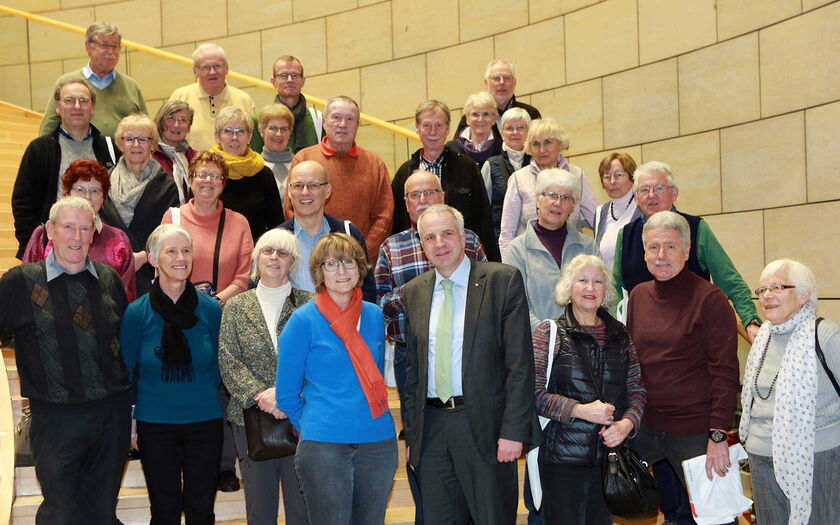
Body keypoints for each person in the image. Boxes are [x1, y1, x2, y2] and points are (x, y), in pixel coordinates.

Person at [402, 204, 540, 524]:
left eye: (447, 233)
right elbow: (412, 373)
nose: (439, 243)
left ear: (463, 237)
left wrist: (513, 430)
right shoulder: (413, 292)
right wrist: (413, 437)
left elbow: (519, 364)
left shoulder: (501, 280)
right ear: (421, 246)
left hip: (486, 428)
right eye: (430, 237)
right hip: (432, 429)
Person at [0, 196, 131, 523]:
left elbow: (125, 345)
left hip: (110, 416)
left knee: (102, 513)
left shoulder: (109, 279)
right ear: (49, 231)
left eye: (84, 229)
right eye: (68, 227)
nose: (76, 236)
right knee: (61, 514)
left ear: (93, 235)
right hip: (55, 419)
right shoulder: (20, 282)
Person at [375, 171, 488, 525]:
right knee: (420, 448)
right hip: (415, 356)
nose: (422, 199)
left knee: (470, 443)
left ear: (443, 195)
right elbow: (380, 302)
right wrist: (420, 291)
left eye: (429, 192)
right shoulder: (391, 247)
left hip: (464, 356)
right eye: (414, 195)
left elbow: (486, 290)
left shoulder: (467, 238)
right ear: (406, 204)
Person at [626, 211, 740, 525]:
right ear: (644, 252)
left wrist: (717, 434)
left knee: (716, 518)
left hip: (694, 431)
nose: (661, 255)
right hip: (648, 428)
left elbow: (725, 371)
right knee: (667, 513)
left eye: (670, 247)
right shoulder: (638, 296)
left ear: (687, 251)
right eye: (653, 247)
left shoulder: (710, 299)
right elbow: (634, 363)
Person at [276, 233, 397, 524]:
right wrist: (317, 424)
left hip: (378, 442)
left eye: (348, 262)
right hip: (324, 446)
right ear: (319, 272)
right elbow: (286, 395)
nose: (341, 271)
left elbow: (375, 374)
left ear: (360, 268)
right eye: (331, 264)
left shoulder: (374, 316)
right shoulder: (302, 321)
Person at [120, 223, 223, 524]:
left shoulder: (211, 310)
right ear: (153, 259)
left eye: (187, 250)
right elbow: (127, 370)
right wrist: (132, 421)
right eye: (172, 251)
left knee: (201, 509)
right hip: (155, 424)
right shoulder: (136, 313)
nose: (181, 258)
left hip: (204, 421)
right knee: (163, 511)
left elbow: (219, 364)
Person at [533, 254, 646, 525]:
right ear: (569, 288)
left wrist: (628, 424)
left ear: (605, 291)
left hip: (610, 459)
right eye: (582, 280)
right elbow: (533, 394)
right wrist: (581, 410)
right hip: (562, 461)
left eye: (598, 281)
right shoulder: (548, 333)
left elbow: (637, 390)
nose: (590, 288)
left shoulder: (621, 335)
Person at [218, 229, 310, 525]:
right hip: (250, 419)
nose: (274, 258)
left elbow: (319, 358)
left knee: (303, 506)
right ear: (256, 258)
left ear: (292, 263)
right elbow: (227, 359)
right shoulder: (235, 306)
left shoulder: (310, 304)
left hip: (300, 416)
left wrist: (287, 396)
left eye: (283, 253)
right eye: (268, 251)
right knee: (259, 509)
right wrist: (261, 395)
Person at [739, 259, 840, 525]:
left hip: (817, 456)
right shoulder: (762, 337)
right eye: (762, 290)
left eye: (777, 287)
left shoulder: (824, 334)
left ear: (804, 293)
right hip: (761, 455)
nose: (767, 296)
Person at [613, 161, 761, 340]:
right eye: (644, 190)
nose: (651, 195)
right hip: (644, 342)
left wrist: (750, 321)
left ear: (674, 193)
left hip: (694, 339)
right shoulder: (625, 235)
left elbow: (730, 281)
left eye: (659, 188)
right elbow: (615, 292)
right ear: (636, 198)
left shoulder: (697, 229)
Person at [13, 77, 119, 258]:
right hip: (49, 252)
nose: (77, 106)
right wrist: (34, 245)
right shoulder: (40, 149)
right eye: (69, 100)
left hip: (100, 251)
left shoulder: (109, 148)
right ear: (57, 106)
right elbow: (22, 203)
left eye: (83, 101)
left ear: (92, 107)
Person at [390, 100, 500, 262]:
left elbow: (482, 218)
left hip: (462, 256)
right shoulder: (404, 173)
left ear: (448, 128)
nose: (432, 132)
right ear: (417, 128)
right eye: (426, 125)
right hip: (416, 259)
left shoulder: (466, 167)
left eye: (439, 125)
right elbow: (398, 221)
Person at [286, 95, 393, 260]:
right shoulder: (304, 158)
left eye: (350, 119)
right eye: (336, 117)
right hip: (311, 259)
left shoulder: (374, 163)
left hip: (359, 262)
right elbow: (291, 208)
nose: (343, 124)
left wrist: (359, 252)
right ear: (324, 122)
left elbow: (384, 216)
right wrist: (318, 254)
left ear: (357, 125)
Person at [23, 159, 136, 301]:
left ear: (103, 197)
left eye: (95, 190)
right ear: (67, 193)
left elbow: (126, 297)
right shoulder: (43, 235)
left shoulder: (118, 239)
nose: (87, 197)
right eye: (80, 189)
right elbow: (27, 285)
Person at [503, 169, 598, 333]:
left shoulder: (588, 247)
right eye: (552, 195)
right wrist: (547, 335)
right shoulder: (516, 251)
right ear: (538, 200)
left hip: (585, 345)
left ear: (573, 206)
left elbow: (600, 296)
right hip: (537, 346)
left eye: (566, 198)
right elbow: (515, 304)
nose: (558, 203)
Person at [99, 114, 179, 297]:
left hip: (150, 269)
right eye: (129, 139)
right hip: (110, 271)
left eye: (143, 139)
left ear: (152, 145)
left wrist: (144, 256)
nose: (136, 145)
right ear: (120, 143)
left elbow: (169, 232)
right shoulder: (104, 181)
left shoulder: (166, 185)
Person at [161, 151, 253, 306]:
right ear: (190, 179)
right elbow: (161, 269)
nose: (208, 180)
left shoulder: (239, 223)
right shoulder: (172, 218)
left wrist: (213, 304)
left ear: (223, 184)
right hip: (179, 311)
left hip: (223, 314)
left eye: (216, 176)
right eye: (202, 174)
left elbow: (244, 276)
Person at [279, 160, 376, 302]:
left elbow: (367, 288)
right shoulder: (276, 240)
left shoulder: (348, 233)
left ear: (327, 191)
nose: (305, 192)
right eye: (298, 186)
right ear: (289, 191)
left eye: (313, 185)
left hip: (344, 321)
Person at [498, 118, 596, 254]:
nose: (542, 149)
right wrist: (510, 269)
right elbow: (507, 233)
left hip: (572, 256)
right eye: (536, 144)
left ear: (560, 143)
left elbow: (597, 221)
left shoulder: (577, 175)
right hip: (529, 260)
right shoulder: (518, 179)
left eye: (548, 142)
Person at [38, 22, 147, 137]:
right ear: (89, 47)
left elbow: (147, 128)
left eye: (114, 46)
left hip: (124, 154)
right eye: (104, 45)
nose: (110, 52)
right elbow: (48, 128)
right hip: (78, 153)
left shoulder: (131, 86)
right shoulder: (66, 84)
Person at [210, 106, 284, 241]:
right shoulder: (207, 173)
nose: (234, 137)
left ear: (249, 136)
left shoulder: (263, 174)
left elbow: (276, 224)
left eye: (240, 131)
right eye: (228, 131)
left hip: (256, 253)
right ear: (217, 137)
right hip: (216, 252)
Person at [169, 43, 256, 151]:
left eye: (217, 66)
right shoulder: (179, 97)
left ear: (226, 68)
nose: (212, 72)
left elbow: (252, 144)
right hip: (190, 166)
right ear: (195, 71)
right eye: (205, 67)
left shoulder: (244, 99)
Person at [250, 55, 323, 153]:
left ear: (302, 81)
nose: (289, 80)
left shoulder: (317, 119)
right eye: (283, 75)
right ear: (273, 81)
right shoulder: (258, 119)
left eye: (295, 75)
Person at [453, 59, 541, 138]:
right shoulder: (473, 117)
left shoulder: (531, 113)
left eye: (507, 78)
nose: (502, 82)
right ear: (486, 83)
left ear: (514, 83)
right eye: (496, 78)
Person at [480, 107, 532, 240]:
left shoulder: (537, 163)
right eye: (509, 128)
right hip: (500, 243)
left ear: (529, 132)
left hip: (534, 241)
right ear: (502, 133)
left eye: (520, 127)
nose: (515, 132)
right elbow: (483, 210)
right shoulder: (490, 165)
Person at [593, 152, 642, 270]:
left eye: (618, 175)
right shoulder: (600, 212)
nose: (612, 181)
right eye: (607, 176)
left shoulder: (643, 207)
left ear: (632, 176)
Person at [152, 100, 197, 204]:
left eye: (183, 120)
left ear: (189, 127)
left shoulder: (197, 159)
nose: (176, 125)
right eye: (170, 118)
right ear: (160, 121)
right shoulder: (149, 157)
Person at [446, 92, 501, 167]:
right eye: (475, 114)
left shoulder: (502, 148)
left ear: (494, 119)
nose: (480, 119)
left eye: (486, 114)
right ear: (467, 119)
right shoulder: (451, 149)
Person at [257, 103, 295, 201]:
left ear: (290, 133)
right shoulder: (254, 167)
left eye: (284, 129)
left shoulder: (299, 165)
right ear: (261, 131)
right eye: (273, 128)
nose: (278, 134)